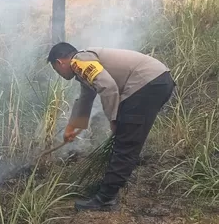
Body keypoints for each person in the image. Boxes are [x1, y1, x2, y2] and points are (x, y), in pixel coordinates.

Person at [48, 42, 174, 212]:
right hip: (155, 81)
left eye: (57, 71)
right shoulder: (84, 64)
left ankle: (105, 199)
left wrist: (113, 120)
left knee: (125, 143)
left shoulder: (78, 61)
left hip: (146, 83)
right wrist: (72, 127)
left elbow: (108, 87)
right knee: (128, 138)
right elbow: (87, 96)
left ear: (60, 62)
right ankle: (116, 182)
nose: (60, 74)